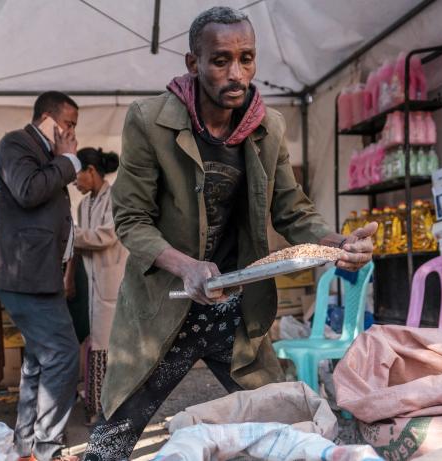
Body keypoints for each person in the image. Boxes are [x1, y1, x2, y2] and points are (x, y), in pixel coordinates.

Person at [83, 7, 376, 460]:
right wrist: (186, 267)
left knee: (282, 422)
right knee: (112, 438)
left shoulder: (268, 127)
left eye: (247, 58)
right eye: (220, 60)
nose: (236, 72)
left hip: (236, 309)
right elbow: (131, 220)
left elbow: (291, 209)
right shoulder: (149, 120)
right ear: (193, 63)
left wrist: (336, 243)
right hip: (165, 307)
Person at [0, 91, 82, 461]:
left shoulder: (45, 155)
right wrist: (68, 161)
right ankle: (47, 448)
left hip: (38, 273)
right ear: (47, 118)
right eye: (68, 123)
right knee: (62, 354)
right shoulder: (15, 144)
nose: (72, 132)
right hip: (24, 271)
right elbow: (28, 191)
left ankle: (27, 445)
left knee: (41, 358)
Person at [72, 147, 128, 424]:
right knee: (96, 345)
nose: (74, 183)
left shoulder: (115, 196)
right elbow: (85, 242)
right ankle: (96, 408)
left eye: (76, 176)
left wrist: (68, 233)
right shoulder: (84, 205)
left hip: (113, 282)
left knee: (110, 346)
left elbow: (106, 236)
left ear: (90, 171)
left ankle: (111, 409)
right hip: (92, 285)